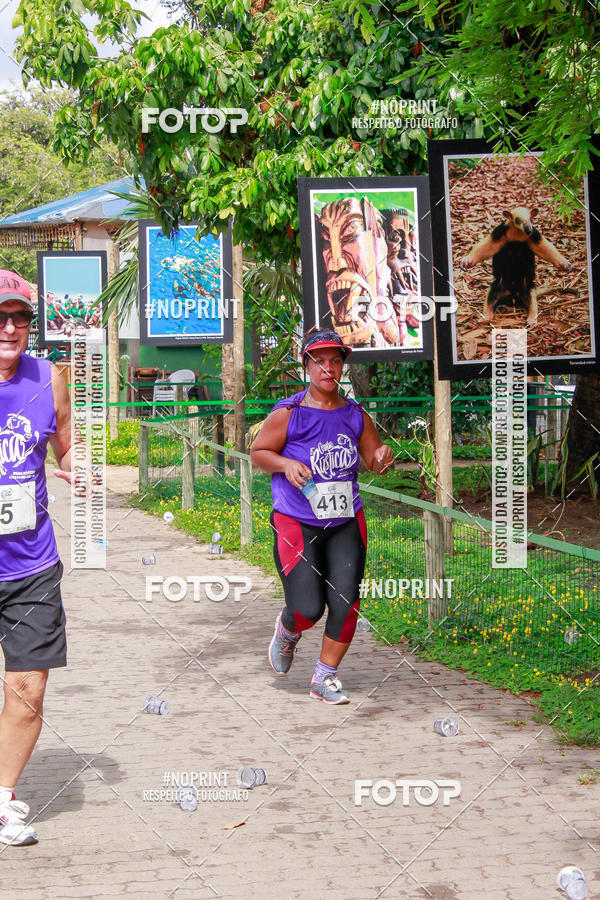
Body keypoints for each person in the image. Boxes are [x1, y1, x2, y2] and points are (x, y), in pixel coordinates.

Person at [250, 329, 395, 704]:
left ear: (342, 366)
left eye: (335, 361)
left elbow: (374, 458)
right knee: (307, 607)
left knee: (346, 601)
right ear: (307, 366)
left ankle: (324, 677)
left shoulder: (355, 414)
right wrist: (285, 463)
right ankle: (287, 631)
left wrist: (382, 460)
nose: (328, 368)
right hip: (296, 520)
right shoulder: (289, 413)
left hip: (345, 519)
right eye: (319, 361)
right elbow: (258, 453)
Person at [0, 270, 74, 846]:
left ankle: (2, 802)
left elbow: (66, 443)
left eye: (19, 317)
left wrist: (78, 464)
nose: (9, 328)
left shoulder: (50, 378)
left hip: (30, 566)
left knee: (28, 690)